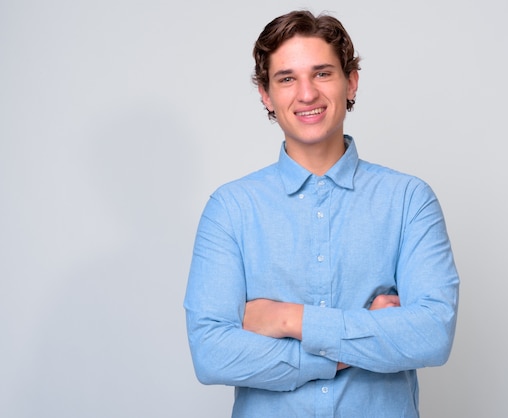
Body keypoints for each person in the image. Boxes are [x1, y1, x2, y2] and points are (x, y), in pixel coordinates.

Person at [184, 9, 460, 417]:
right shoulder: (231, 209)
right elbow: (211, 354)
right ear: (266, 94)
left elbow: (431, 335)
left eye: (322, 73)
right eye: (287, 78)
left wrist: (284, 319)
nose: (307, 93)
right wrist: (345, 349)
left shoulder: (408, 200)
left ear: (351, 82)